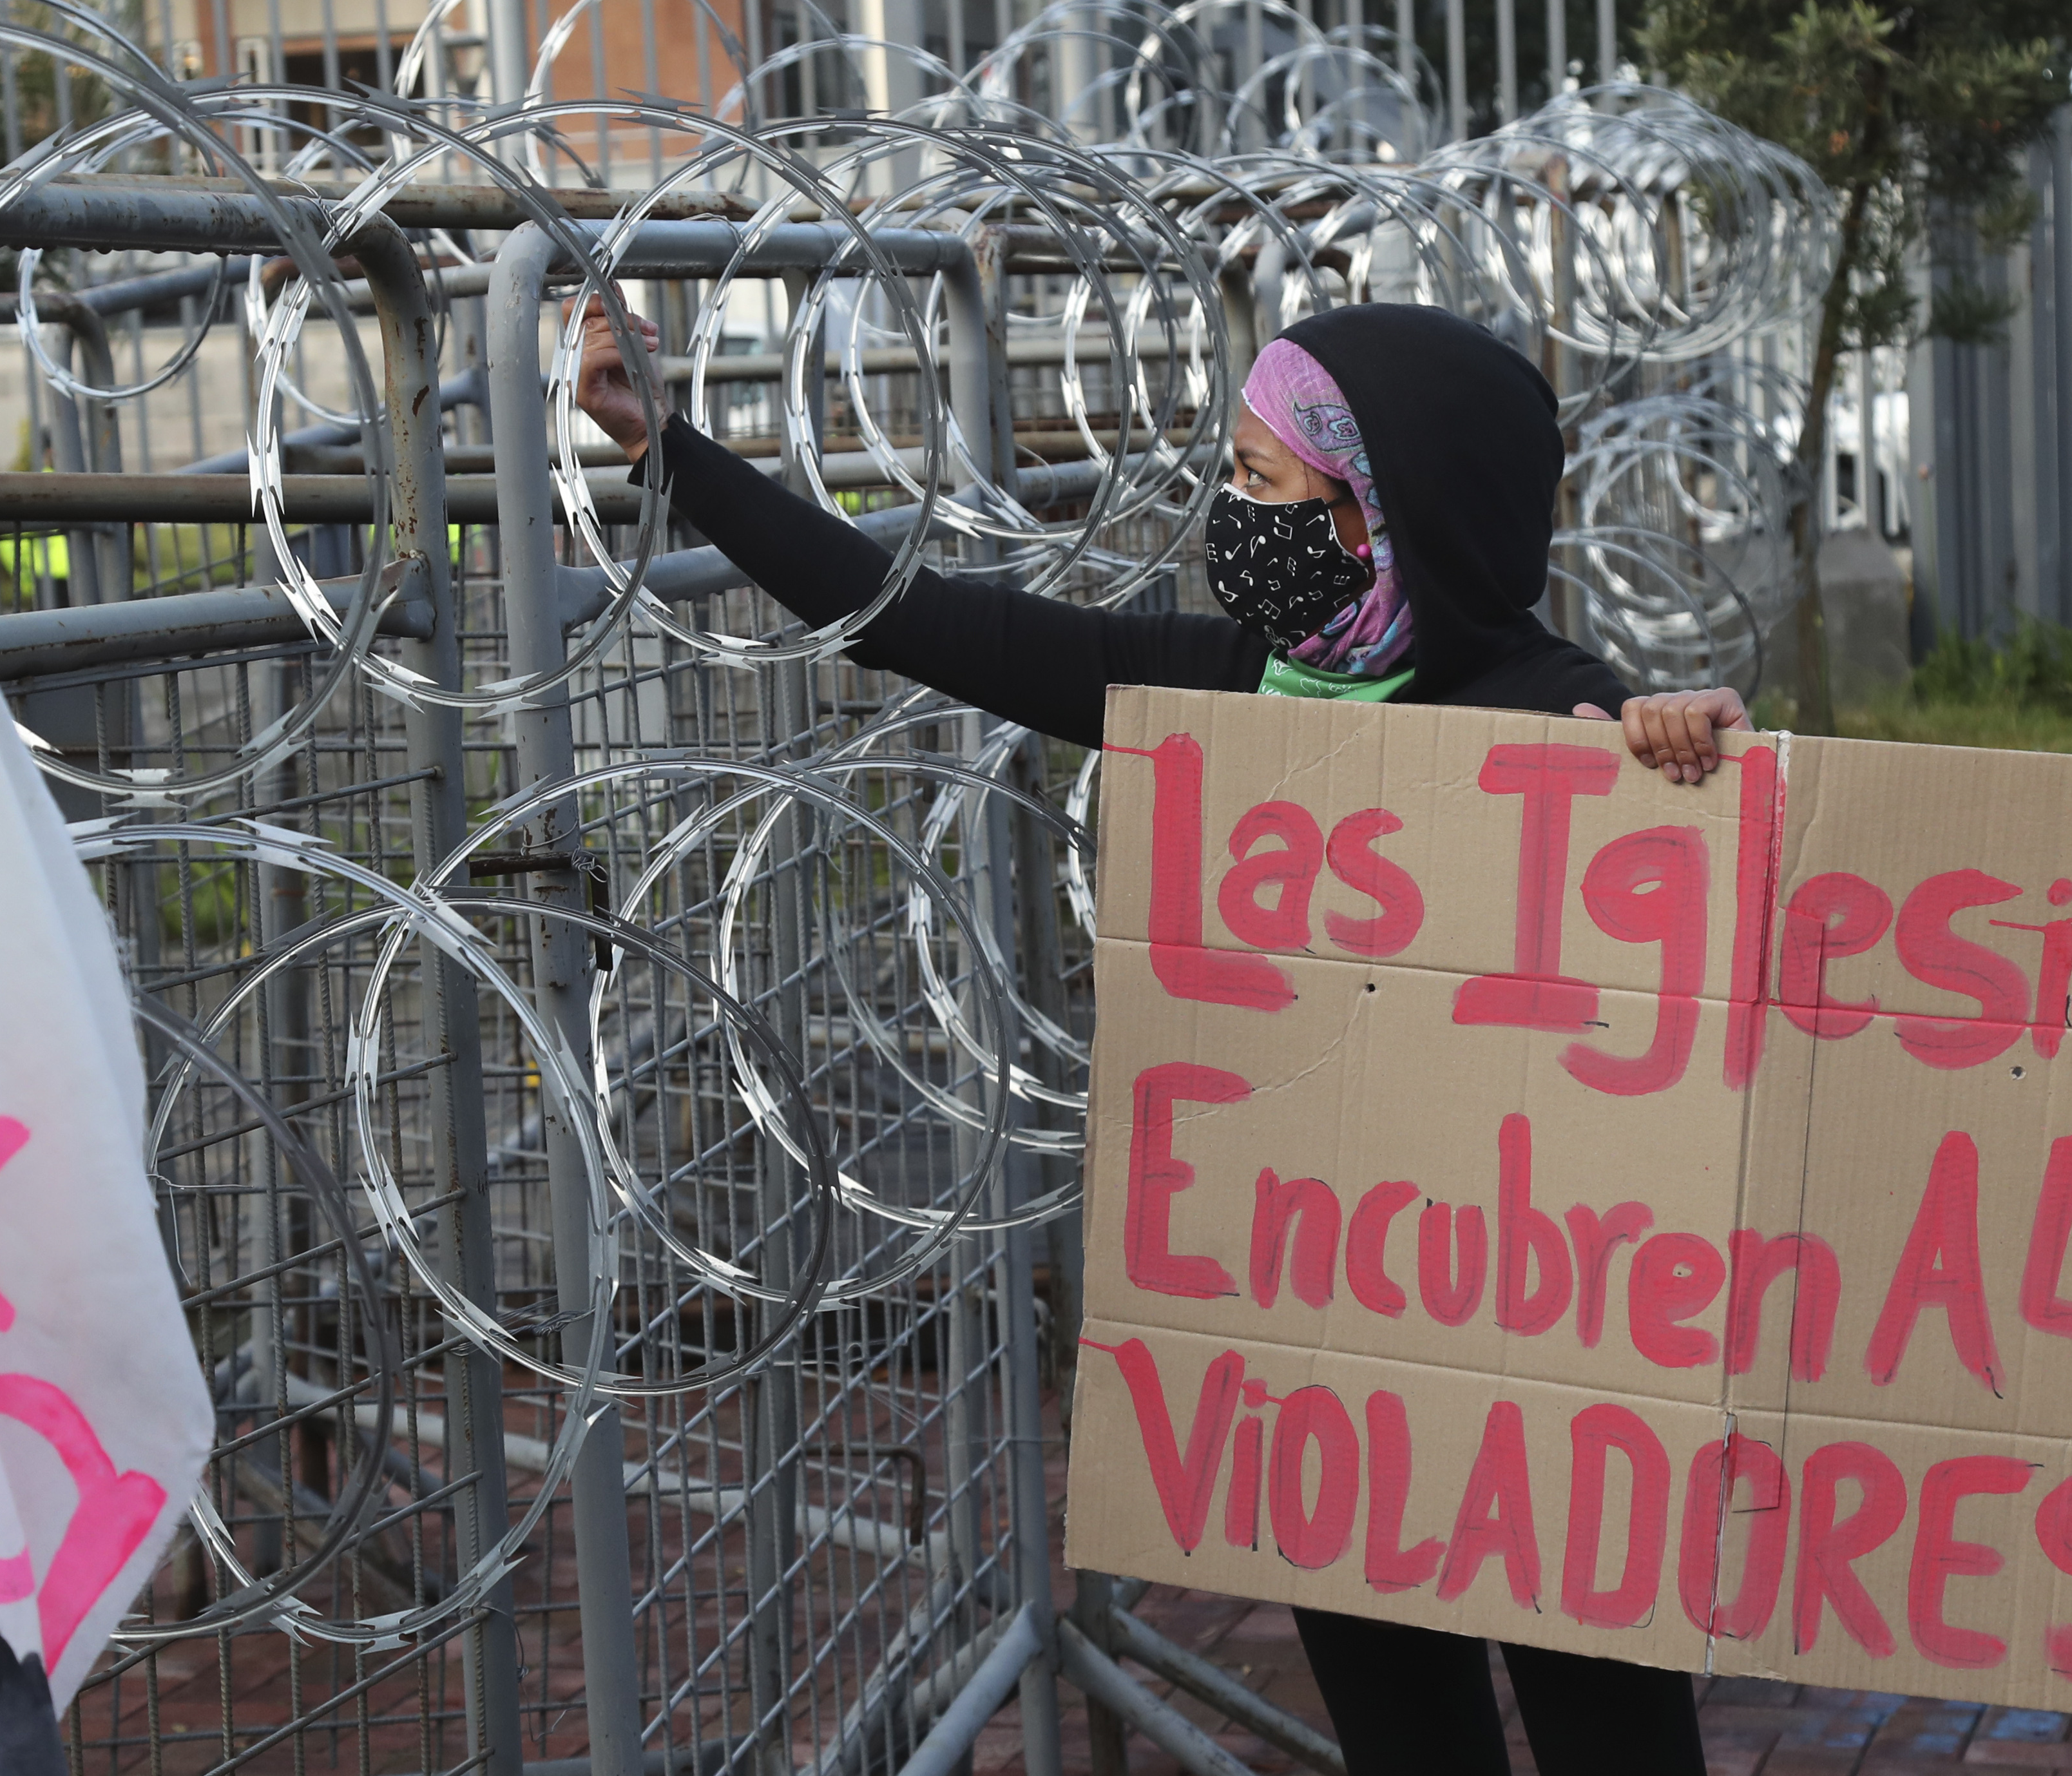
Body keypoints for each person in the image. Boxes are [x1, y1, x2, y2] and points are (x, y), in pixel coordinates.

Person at [577, 294, 1741, 1776]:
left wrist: (1679, 754)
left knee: (1613, 1735)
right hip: (1328, 1352)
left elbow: (1703, 935)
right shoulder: (1227, 689)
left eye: (1261, 480)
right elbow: (911, 614)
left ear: (1380, 514)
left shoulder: (1558, 715)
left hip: (1543, 1365)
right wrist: (665, 444)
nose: (1228, 513)